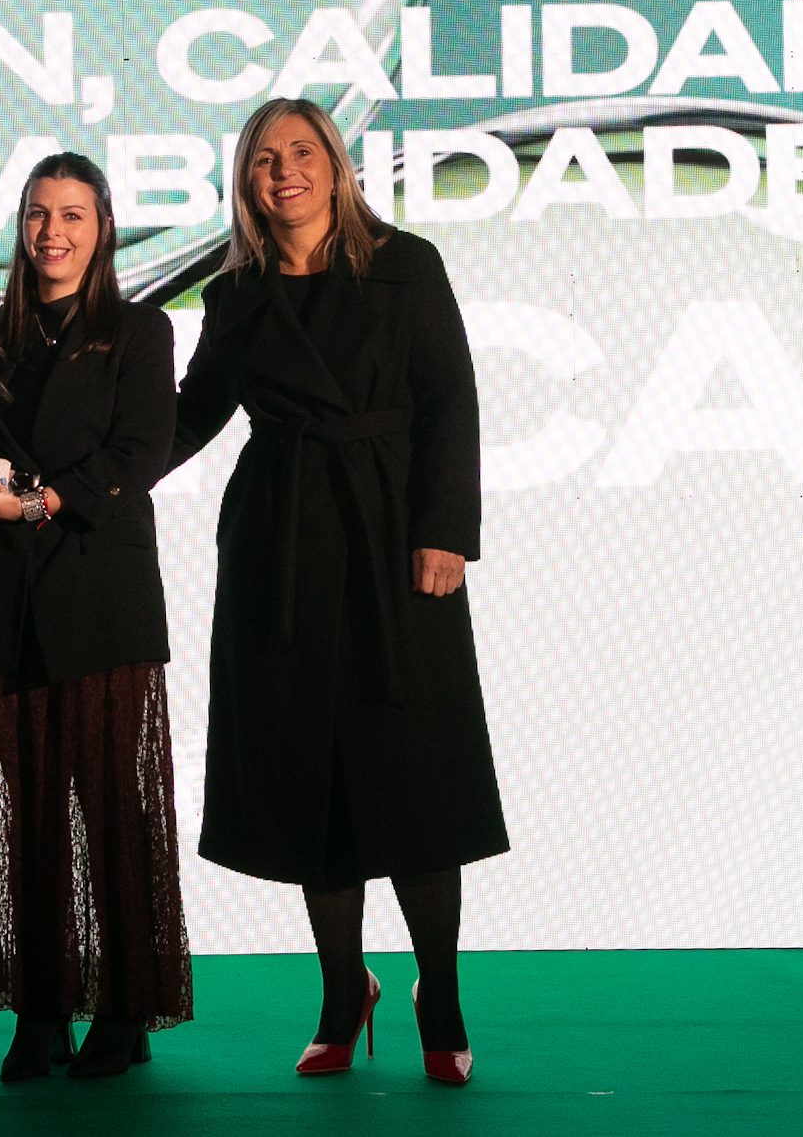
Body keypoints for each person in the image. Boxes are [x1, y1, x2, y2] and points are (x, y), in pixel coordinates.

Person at [170, 98, 509, 1086]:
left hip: (394, 535)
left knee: (414, 767)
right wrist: (75, 476)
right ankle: (339, 990)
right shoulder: (235, 295)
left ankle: (439, 992)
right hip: (278, 549)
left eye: (302, 151)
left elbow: (449, 397)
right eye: (264, 158)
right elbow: (188, 418)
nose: (285, 170)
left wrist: (444, 529)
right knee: (304, 772)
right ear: (246, 181)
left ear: (335, 164)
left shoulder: (406, 264)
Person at [0, 152, 191, 1081]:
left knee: (112, 808)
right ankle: (38, 1012)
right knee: (29, 816)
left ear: (104, 228)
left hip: (99, 596)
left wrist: (40, 502)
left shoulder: (140, 330)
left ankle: (125, 1009)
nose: (53, 232)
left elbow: (143, 450)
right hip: (4, 599)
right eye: (39, 214)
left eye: (73, 214)